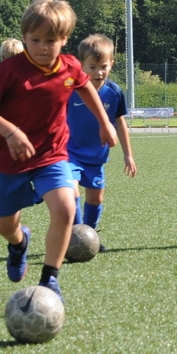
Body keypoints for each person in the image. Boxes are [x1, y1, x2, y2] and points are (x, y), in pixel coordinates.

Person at [0, 0, 117, 300]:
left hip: (53, 154)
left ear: (64, 40)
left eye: (50, 41)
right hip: (11, 159)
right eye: (34, 39)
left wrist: (105, 122)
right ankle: (19, 242)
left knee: (65, 206)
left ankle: (50, 278)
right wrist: (10, 131)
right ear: (24, 36)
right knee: (5, 226)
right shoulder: (9, 71)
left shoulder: (70, 66)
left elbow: (85, 87)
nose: (41, 47)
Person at [66, 34, 137, 248]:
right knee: (71, 192)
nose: (99, 72)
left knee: (96, 200)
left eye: (103, 67)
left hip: (96, 157)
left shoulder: (114, 92)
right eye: (93, 67)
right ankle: (75, 236)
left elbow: (120, 122)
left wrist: (128, 155)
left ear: (111, 64)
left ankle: (89, 236)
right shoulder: (70, 89)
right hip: (69, 153)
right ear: (81, 65)